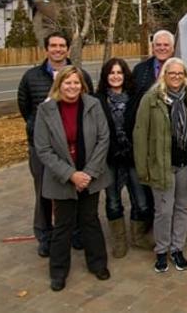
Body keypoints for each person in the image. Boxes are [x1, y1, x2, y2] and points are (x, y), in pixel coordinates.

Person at [33, 66, 111, 291]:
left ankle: (98, 264)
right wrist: (71, 175)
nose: (72, 87)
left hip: (91, 175)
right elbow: (43, 149)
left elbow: (103, 139)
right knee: (63, 226)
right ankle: (58, 271)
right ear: (59, 85)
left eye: (76, 83)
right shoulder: (46, 110)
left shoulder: (93, 105)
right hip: (62, 177)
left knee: (90, 220)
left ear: (82, 85)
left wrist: (88, 173)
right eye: (67, 83)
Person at [17, 31, 94, 257]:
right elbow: (24, 106)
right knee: (44, 191)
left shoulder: (81, 75)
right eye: (53, 46)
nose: (58, 49)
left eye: (62, 46)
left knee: (77, 189)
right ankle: (45, 235)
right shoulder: (31, 77)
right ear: (46, 49)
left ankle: (76, 232)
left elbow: (89, 103)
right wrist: (37, 130)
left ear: (68, 49)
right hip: (42, 149)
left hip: (75, 146)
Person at [134, 57, 187, 273]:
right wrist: (143, 168)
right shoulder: (152, 99)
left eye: (180, 73)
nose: (175, 77)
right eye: (171, 73)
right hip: (161, 164)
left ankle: (177, 249)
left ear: (185, 76)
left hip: (185, 163)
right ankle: (162, 250)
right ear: (164, 75)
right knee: (164, 210)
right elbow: (140, 134)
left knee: (182, 208)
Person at [96, 58, 151, 258]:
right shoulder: (98, 99)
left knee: (141, 199)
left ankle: (138, 236)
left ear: (125, 75)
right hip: (110, 158)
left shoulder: (135, 97)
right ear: (106, 76)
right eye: (112, 73)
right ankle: (119, 241)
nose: (116, 76)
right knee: (113, 200)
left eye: (119, 72)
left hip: (133, 156)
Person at [131, 30, 176, 232]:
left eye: (166, 45)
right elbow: (133, 102)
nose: (162, 48)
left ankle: (170, 224)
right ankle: (151, 223)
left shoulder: (180, 69)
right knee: (150, 184)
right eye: (158, 44)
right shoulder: (141, 70)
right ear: (152, 46)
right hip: (148, 138)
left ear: (173, 48)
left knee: (171, 185)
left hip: (173, 140)